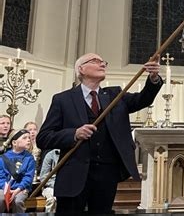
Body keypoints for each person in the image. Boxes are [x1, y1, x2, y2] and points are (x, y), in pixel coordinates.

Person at [37, 52, 163, 214]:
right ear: (81, 69)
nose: (102, 64)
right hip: (72, 176)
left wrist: (153, 78)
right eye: (96, 61)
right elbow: (43, 138)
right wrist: (73, 134)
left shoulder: (114, 96)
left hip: (106, 176)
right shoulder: (63, 100)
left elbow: (142, 99)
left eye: (104, 62)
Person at [0, 129, 36, 213]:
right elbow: (1, 177)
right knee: (0, 200)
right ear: (14, 142)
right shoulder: (3, 158)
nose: (28, 140)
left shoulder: (29, 158)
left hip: (21, 188)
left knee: (18, 202)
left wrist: (18, 189)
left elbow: (28, 177)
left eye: (29, 138)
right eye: (24, 138)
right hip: (4, 188)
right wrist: (6, 189)